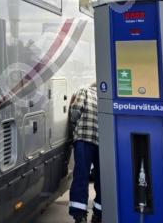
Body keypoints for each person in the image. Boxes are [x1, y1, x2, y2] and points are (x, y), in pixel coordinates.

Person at [69, 84, 102, 223]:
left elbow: (75, 111)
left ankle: (79, 215)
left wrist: (72, 126)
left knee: (81, 176)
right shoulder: (104, 96)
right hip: (101, 143)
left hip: (84, 138)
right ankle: (99, 214)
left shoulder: (85, 91)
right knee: (101, 178)